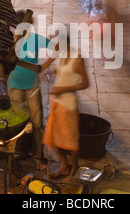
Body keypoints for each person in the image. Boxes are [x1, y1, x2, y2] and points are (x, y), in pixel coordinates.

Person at [7, 11, 56, 171]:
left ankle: (38, 156)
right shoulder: (9, 41)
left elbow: (55, 48)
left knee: (36, 124)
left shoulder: (35, 39)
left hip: (32, 88)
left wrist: (43, 67)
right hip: (14, 87)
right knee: (18, 123)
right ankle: (20, 152)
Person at [42, 37, 90, 183]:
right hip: (56, 101)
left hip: (68, 104)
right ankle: (64, 166)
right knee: (56, 136)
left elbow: (85, 83)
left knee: (71, 139)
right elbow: (56, 70)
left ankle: (73, 170)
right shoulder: (61, 55)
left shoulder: (77, 58)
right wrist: (51, 70)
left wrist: (64, 88)